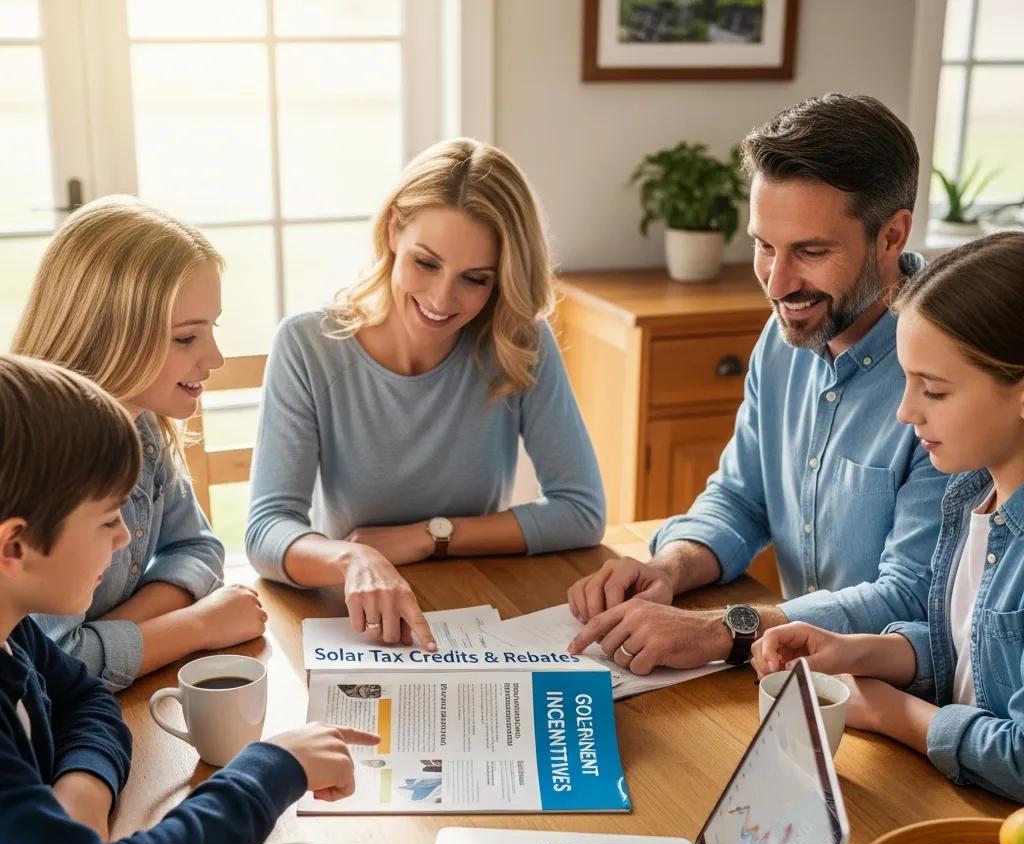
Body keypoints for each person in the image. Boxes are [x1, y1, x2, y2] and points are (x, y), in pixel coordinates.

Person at [0, 353, 377, 844]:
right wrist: (271, 770)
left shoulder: (11, 627)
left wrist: (80, 790)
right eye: (108, 520)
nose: (125, 541)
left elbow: (84, 698)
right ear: (15, 545)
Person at [567, 94, 946, 676]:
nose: (778, 281)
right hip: (798, 685)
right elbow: (742, 497)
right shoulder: (785, 334)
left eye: (811, 252)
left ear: (892, 236)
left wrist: (723, 630)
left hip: (902, 706)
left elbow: (909, 600)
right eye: (764, 246)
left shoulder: (949, 373)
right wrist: (671, 567)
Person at [246, 138, 605, 650]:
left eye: (474, 279)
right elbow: (265, 530)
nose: (441, 300)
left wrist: (430, 536)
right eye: (426, 263)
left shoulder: (518, 342)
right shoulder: (307, 345)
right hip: (360, 614)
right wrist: (356, 558)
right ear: (394, 229)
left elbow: (582, 512)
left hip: (478, 606)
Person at [752, 233, 1024, 801]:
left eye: (934, 390)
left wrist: (896, 715)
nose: (905, 411)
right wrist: (858, 649)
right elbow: (975, 661)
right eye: (906, 381)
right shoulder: (971, 498)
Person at [13, 197, 267, 690]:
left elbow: (197, 546)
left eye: (212, 329)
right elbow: (57, 667)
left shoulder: (143, 426)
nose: (214, 358)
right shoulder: (41, 464)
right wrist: (197, 625)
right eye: (186, 338)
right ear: (110, 336)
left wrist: (119, 632)